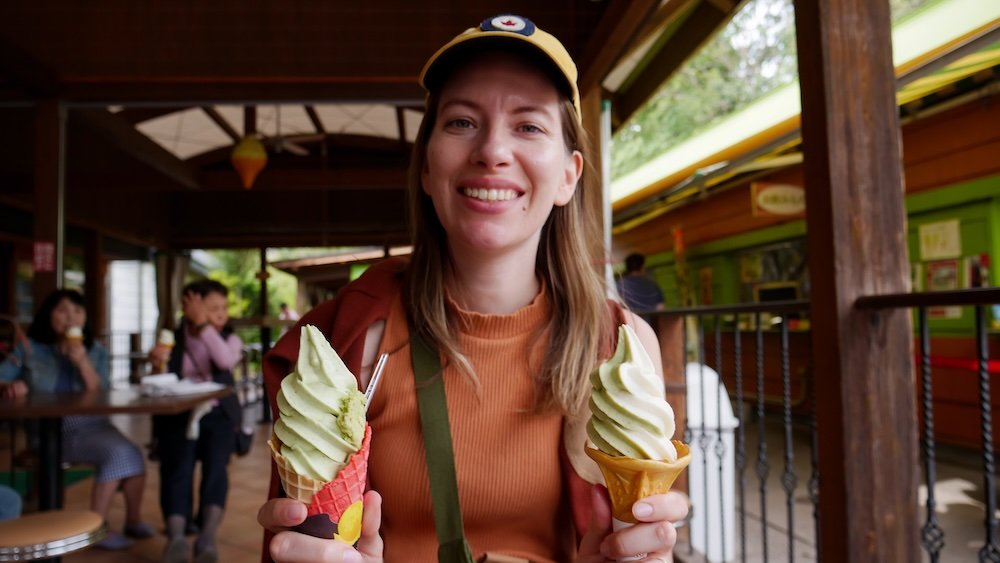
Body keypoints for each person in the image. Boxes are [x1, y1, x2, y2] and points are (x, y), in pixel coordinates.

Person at [257, 14, 688, 563]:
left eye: (529, 126)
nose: (492, 150)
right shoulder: (349, 345)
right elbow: (300, 531)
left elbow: (645, 536)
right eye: (461, 122)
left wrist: (650, 553)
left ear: (568, 176)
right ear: (427, 170)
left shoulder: (625, 348)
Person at [0, 289, 154, 549]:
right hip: (50, 428)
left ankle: (133, 519)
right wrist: (15, 384)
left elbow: (100, 393)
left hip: (93, 424)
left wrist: (82, 363)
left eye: (77, 311)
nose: (71, 317)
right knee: (121, 453)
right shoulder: (29, 348)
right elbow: (2, 376)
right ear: (48, 315)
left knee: (134, 455)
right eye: (62, 310)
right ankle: (97, 529)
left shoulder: (95, 351)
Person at [148, 279, 243, 563]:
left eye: (223, 308)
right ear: (190, 306)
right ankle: (176, 538)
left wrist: (204, 326)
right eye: (213, 308)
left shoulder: (230, 339)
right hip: (179, 414)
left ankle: (207, 538)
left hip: (218, 415)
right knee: (177, 470)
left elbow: (225, 361)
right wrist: (156, 363)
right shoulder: (173, 338)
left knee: (216, 472)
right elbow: (162, 380)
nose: (221, 314)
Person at [616, 253, 665, 318]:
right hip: (650, 324)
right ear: (642, 267)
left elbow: (619, 306)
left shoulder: (620, 284)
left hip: (629, 324)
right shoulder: (652, 284)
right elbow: (660, 308)